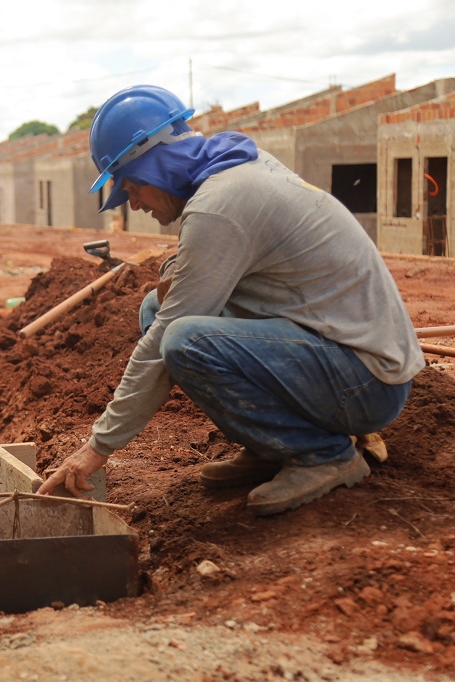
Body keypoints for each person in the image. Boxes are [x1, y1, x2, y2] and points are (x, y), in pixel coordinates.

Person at [38, 85, 424, 516]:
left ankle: (323, 454)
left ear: (158, 167)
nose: (134, 203)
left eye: (132, 188)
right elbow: (204, 267)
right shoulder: (236, 167)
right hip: (332, 349)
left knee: (183, 339)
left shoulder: (219, 205)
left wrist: (95, 449)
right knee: (155, 307)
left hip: (365, 381)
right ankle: (272, 445)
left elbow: (166, 339)